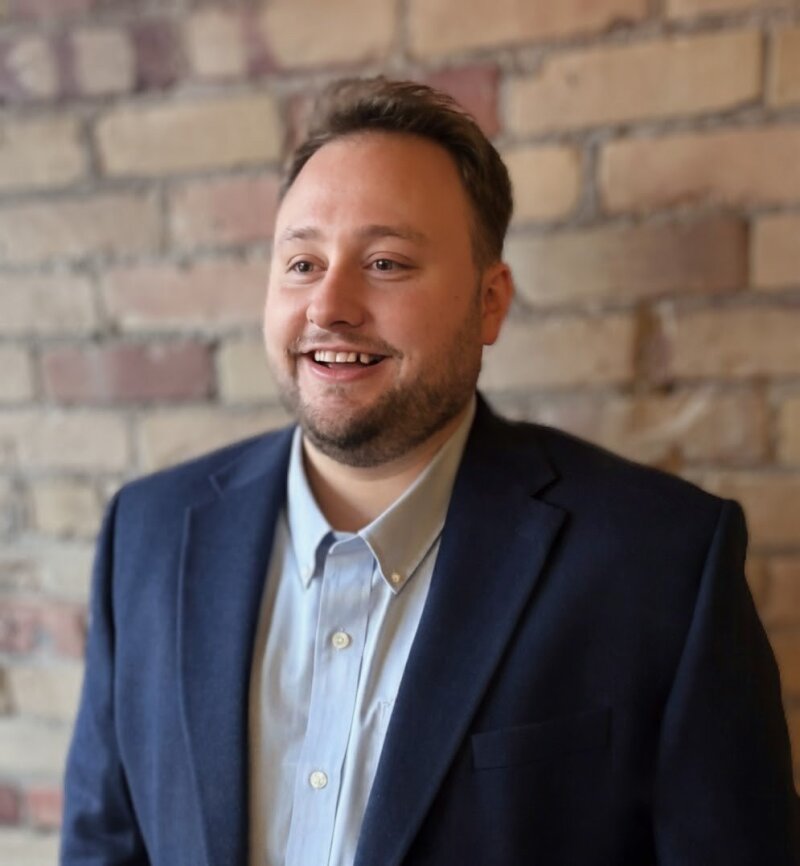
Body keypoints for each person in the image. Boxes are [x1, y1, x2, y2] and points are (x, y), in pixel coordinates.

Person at [61, 77, 798, 866]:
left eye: (386, 262)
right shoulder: (147, 534)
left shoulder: (662, 562)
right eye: (303, 263)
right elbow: (104, 846)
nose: (329, 306)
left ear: (490, 302)